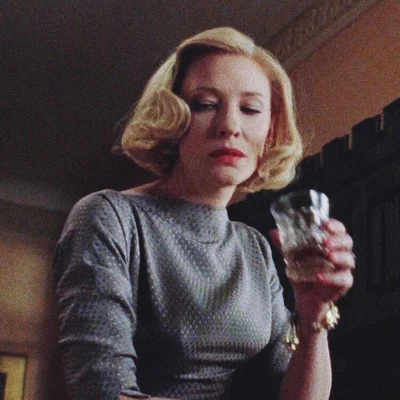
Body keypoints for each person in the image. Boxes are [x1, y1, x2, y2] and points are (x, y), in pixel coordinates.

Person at [53, 27, 355, 400]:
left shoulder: (254, 249)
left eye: (250, 109)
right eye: (206, 104)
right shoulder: (109, 218)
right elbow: (102, 393)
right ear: (173, 118)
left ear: (270, 130)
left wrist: (313, 315)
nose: (230, 126)